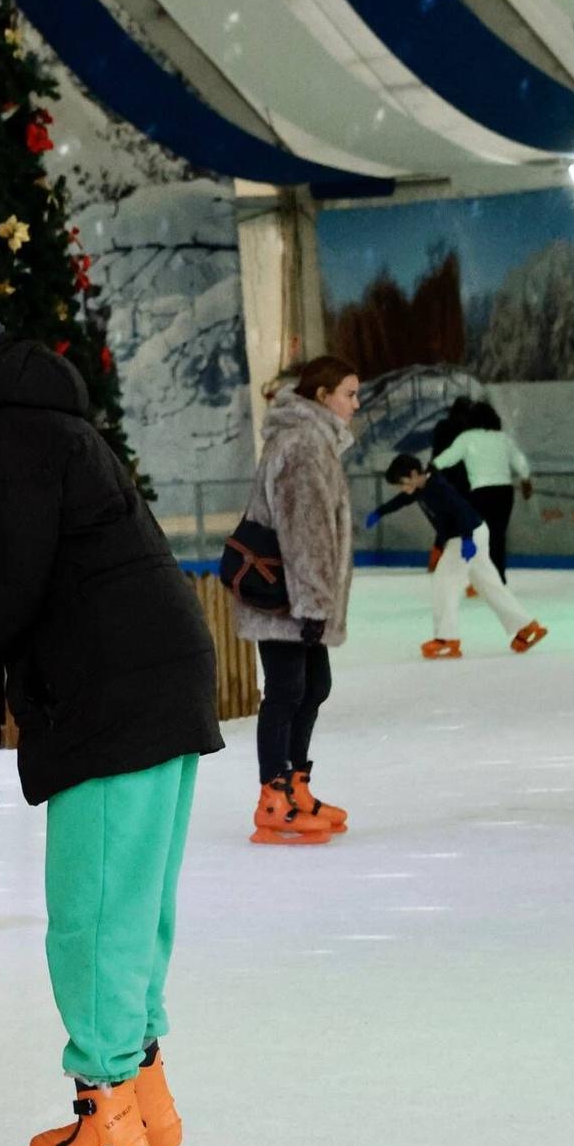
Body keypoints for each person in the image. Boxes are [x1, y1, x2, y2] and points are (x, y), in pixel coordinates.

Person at [0, 269, 220, 1146]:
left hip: (114, 691)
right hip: (154, 674)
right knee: (135, 908)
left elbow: (7, 589)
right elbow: (16, 579)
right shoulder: (41, 418)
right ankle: (143, 1111)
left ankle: (107, 1123)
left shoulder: (9, 434)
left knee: (90, 916)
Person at [234, 358, 359, 848]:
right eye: (349, 393)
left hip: (299, 596)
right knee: (287, 689)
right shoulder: (304, 444)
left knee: (313, 686)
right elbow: (304, 532)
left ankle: (297, 786)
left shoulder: (315, 441)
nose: (355, 404)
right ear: (323, 394)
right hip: (284, 597)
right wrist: (311, 605)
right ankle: (273, 796)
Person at [370, 455, 548, 659]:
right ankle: (527, 627)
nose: (402, 488)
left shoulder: (438, 487)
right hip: (474, 532)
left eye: (401, 483)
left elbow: (460, 510)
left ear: (413, 474)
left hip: (466, 535)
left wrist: (466, 540)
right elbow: (403, 499)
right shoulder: (420, 486)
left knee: (444, 582)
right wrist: (380, 511)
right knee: (489, 585)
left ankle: (447, 639)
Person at [434, 401, 532, 583]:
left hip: (481, 492)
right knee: (498, 536)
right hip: (504, 492)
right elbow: (520, 461)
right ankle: (499, 577)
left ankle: (480, 578)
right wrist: (526, 479)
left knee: (479, 535)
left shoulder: (467, 438)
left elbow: (449, 457)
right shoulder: (503, 438)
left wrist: (431, 468)